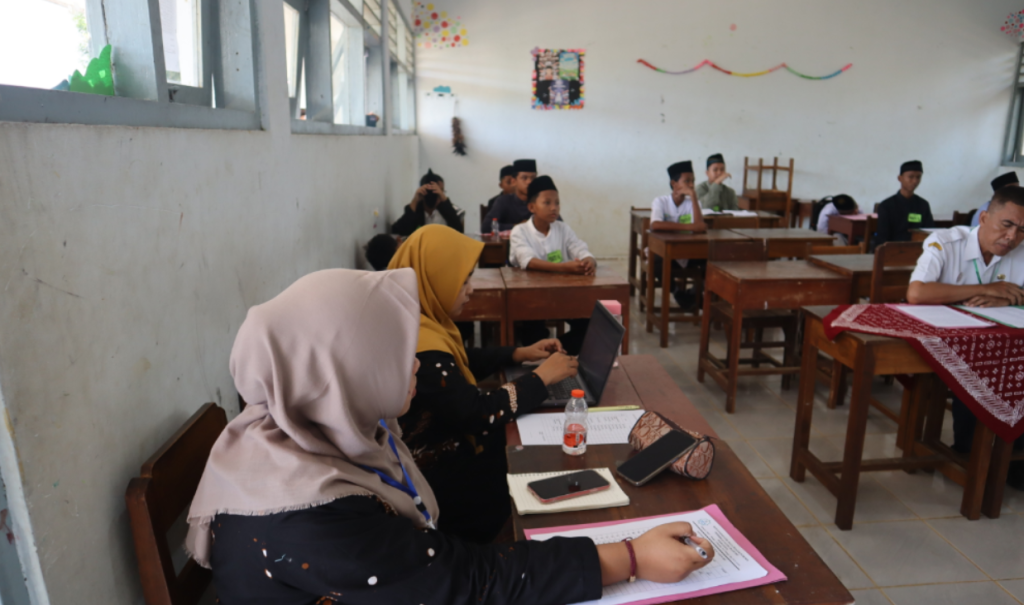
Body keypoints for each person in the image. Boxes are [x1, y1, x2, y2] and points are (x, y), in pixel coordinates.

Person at [185, 268, 715, 604]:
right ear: (343, 370)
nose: (415, 362)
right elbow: (466, 583)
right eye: (393, 354)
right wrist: (632, 558)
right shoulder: (308, 519)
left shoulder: (292, 429)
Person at [389, 225, 582, 542]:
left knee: (523, 439)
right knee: (530, 458)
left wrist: (518, 353)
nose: (471, 290)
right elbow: (477, 413)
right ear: (433, 278)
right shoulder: (421, 346)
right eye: (463, 280)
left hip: (437, 450)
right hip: (435, 478)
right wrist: (541, 378)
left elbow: (457, 364)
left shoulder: (417, 321)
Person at [906, 185, 1024, 490]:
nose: (1012, 237)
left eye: (1022, 230)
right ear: (984, 218)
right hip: (951, 344)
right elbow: (917, 293)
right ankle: (969, 452)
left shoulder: (1021, 249)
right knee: (976, 370)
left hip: (1004, 345)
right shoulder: (946, 242)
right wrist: (985, 289)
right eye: (1007, 225)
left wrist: (1006, 299)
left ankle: (1013, 459)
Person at [509, 176, 597, 354]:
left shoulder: (562, 228)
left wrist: (589, 260)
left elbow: (579, 248)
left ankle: (555, 350)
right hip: (531, 298)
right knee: (532, 335)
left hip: (561, 295)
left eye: (557, 203)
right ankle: (544, 350)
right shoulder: (520, 231)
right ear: (532, 207)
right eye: (547, 202)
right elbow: (528, 261)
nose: (554, 207)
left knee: (591, 327)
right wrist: (565, 268)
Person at [650, 160, 707, 310]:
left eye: (693, 181)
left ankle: (694, 293)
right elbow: (655, 225)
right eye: (687, 181)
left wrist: (693, 197)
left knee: (711, 261)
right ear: (674, 183)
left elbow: (700, 227)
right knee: (655, 261)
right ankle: (677, 292)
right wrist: (690, 227)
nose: (691, 185)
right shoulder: (661, 201)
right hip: (667, 253)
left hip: (689, 252)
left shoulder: (693, 203)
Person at [874, 160, 933, 250]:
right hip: (892, 250)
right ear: (900, 178)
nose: (915, 181)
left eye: (918, 177)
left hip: (918, 250)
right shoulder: (886, 206)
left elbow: (929, 232)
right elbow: (882, 238)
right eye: (911, 177)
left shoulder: (923, 205)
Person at [392, 169, 464, 236]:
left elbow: (459, 232)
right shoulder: (415, 209)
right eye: (434, 190)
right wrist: (415, 200)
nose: (437, 193)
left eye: (440, 191)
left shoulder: (452, 211)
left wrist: (444, 200)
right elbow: (399, 232)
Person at [481, 159, 539, 232]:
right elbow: (486, 227)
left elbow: (552, 225)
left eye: (533, 178)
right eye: (524, 178)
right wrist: (517, 226)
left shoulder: (540, 201)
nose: (529, 182)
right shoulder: (503, 201)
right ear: (513, 181)